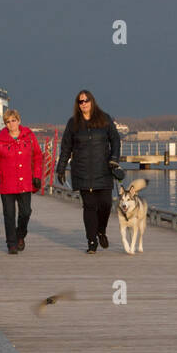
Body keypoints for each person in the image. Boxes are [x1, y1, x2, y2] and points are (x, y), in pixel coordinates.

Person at [56, 90, 122, 252]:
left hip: (104, 170)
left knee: (106, 204)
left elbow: (115, 139)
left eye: (86, 100)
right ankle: (91, 242)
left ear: (92, 101)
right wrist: (61, 168)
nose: (83, 104)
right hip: (82, 171)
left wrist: (114, 158)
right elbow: (66, 147)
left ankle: (101, 231)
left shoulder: (104, 119)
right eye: (80, 102)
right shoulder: (73, 123)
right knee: (90, 206)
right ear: (77, 105)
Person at [0, 110, 43, 254]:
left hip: (25, 182)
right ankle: (11, 244)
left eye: (13, 120)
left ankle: (20, 235)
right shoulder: (0, 140)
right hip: (7, 183)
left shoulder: (29, 136)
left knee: (25, 212)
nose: (11, 124)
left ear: (19, 121)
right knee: (9, 214)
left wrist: (37, 175)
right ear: (5, 124)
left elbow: (38, 156)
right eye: (8, 122)